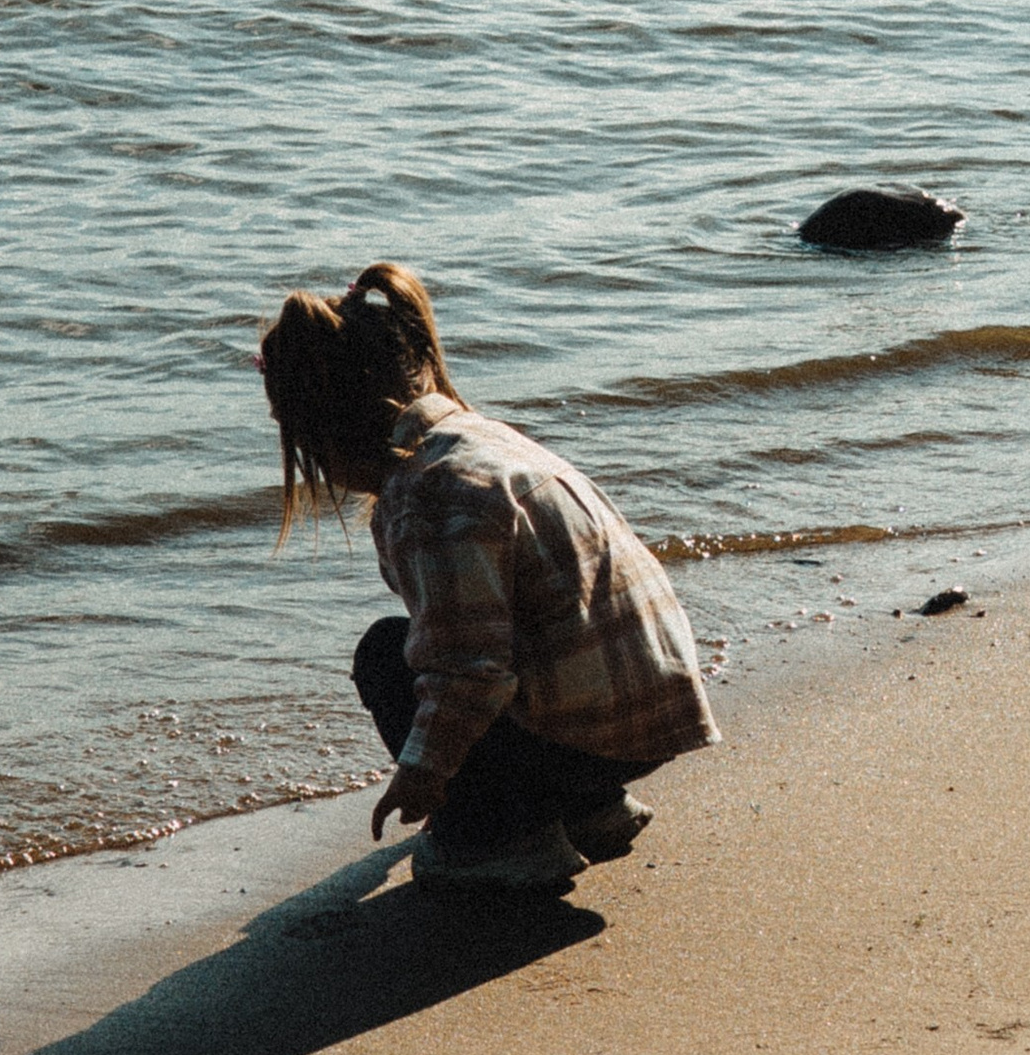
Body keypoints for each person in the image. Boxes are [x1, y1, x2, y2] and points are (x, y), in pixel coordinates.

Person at [256, 262, 719, 892]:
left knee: (386, 656)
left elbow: (467, 669)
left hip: (590, 738)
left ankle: (504, 840)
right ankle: (589, 808)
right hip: (653, 716)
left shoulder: (427, 494)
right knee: (444, 640)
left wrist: (422, 773)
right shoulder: (482, 440)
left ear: (326, 429)